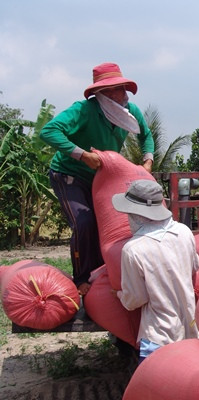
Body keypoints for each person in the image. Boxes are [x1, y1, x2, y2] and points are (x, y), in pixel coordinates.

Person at [40, 62, 155, 295]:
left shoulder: (129, 112)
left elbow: (147, 135)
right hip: (68, 174)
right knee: (83, 222)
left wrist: (147, 162)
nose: (125, 94)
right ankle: (81, 278)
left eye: (124, 88)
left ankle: (99, 272)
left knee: (108, 224)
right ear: (103, 93)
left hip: (99, 178)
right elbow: (48, 131)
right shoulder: (83, 110)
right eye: (119, 89)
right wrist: (82, 155)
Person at [111, 179, 199, 363]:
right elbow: (194, 268)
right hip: (191, 332)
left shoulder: (133, 249)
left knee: (157, 388)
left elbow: (135, 299)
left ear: (136, 214)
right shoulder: (184, 232)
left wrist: (119, 294)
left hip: (158, 338)